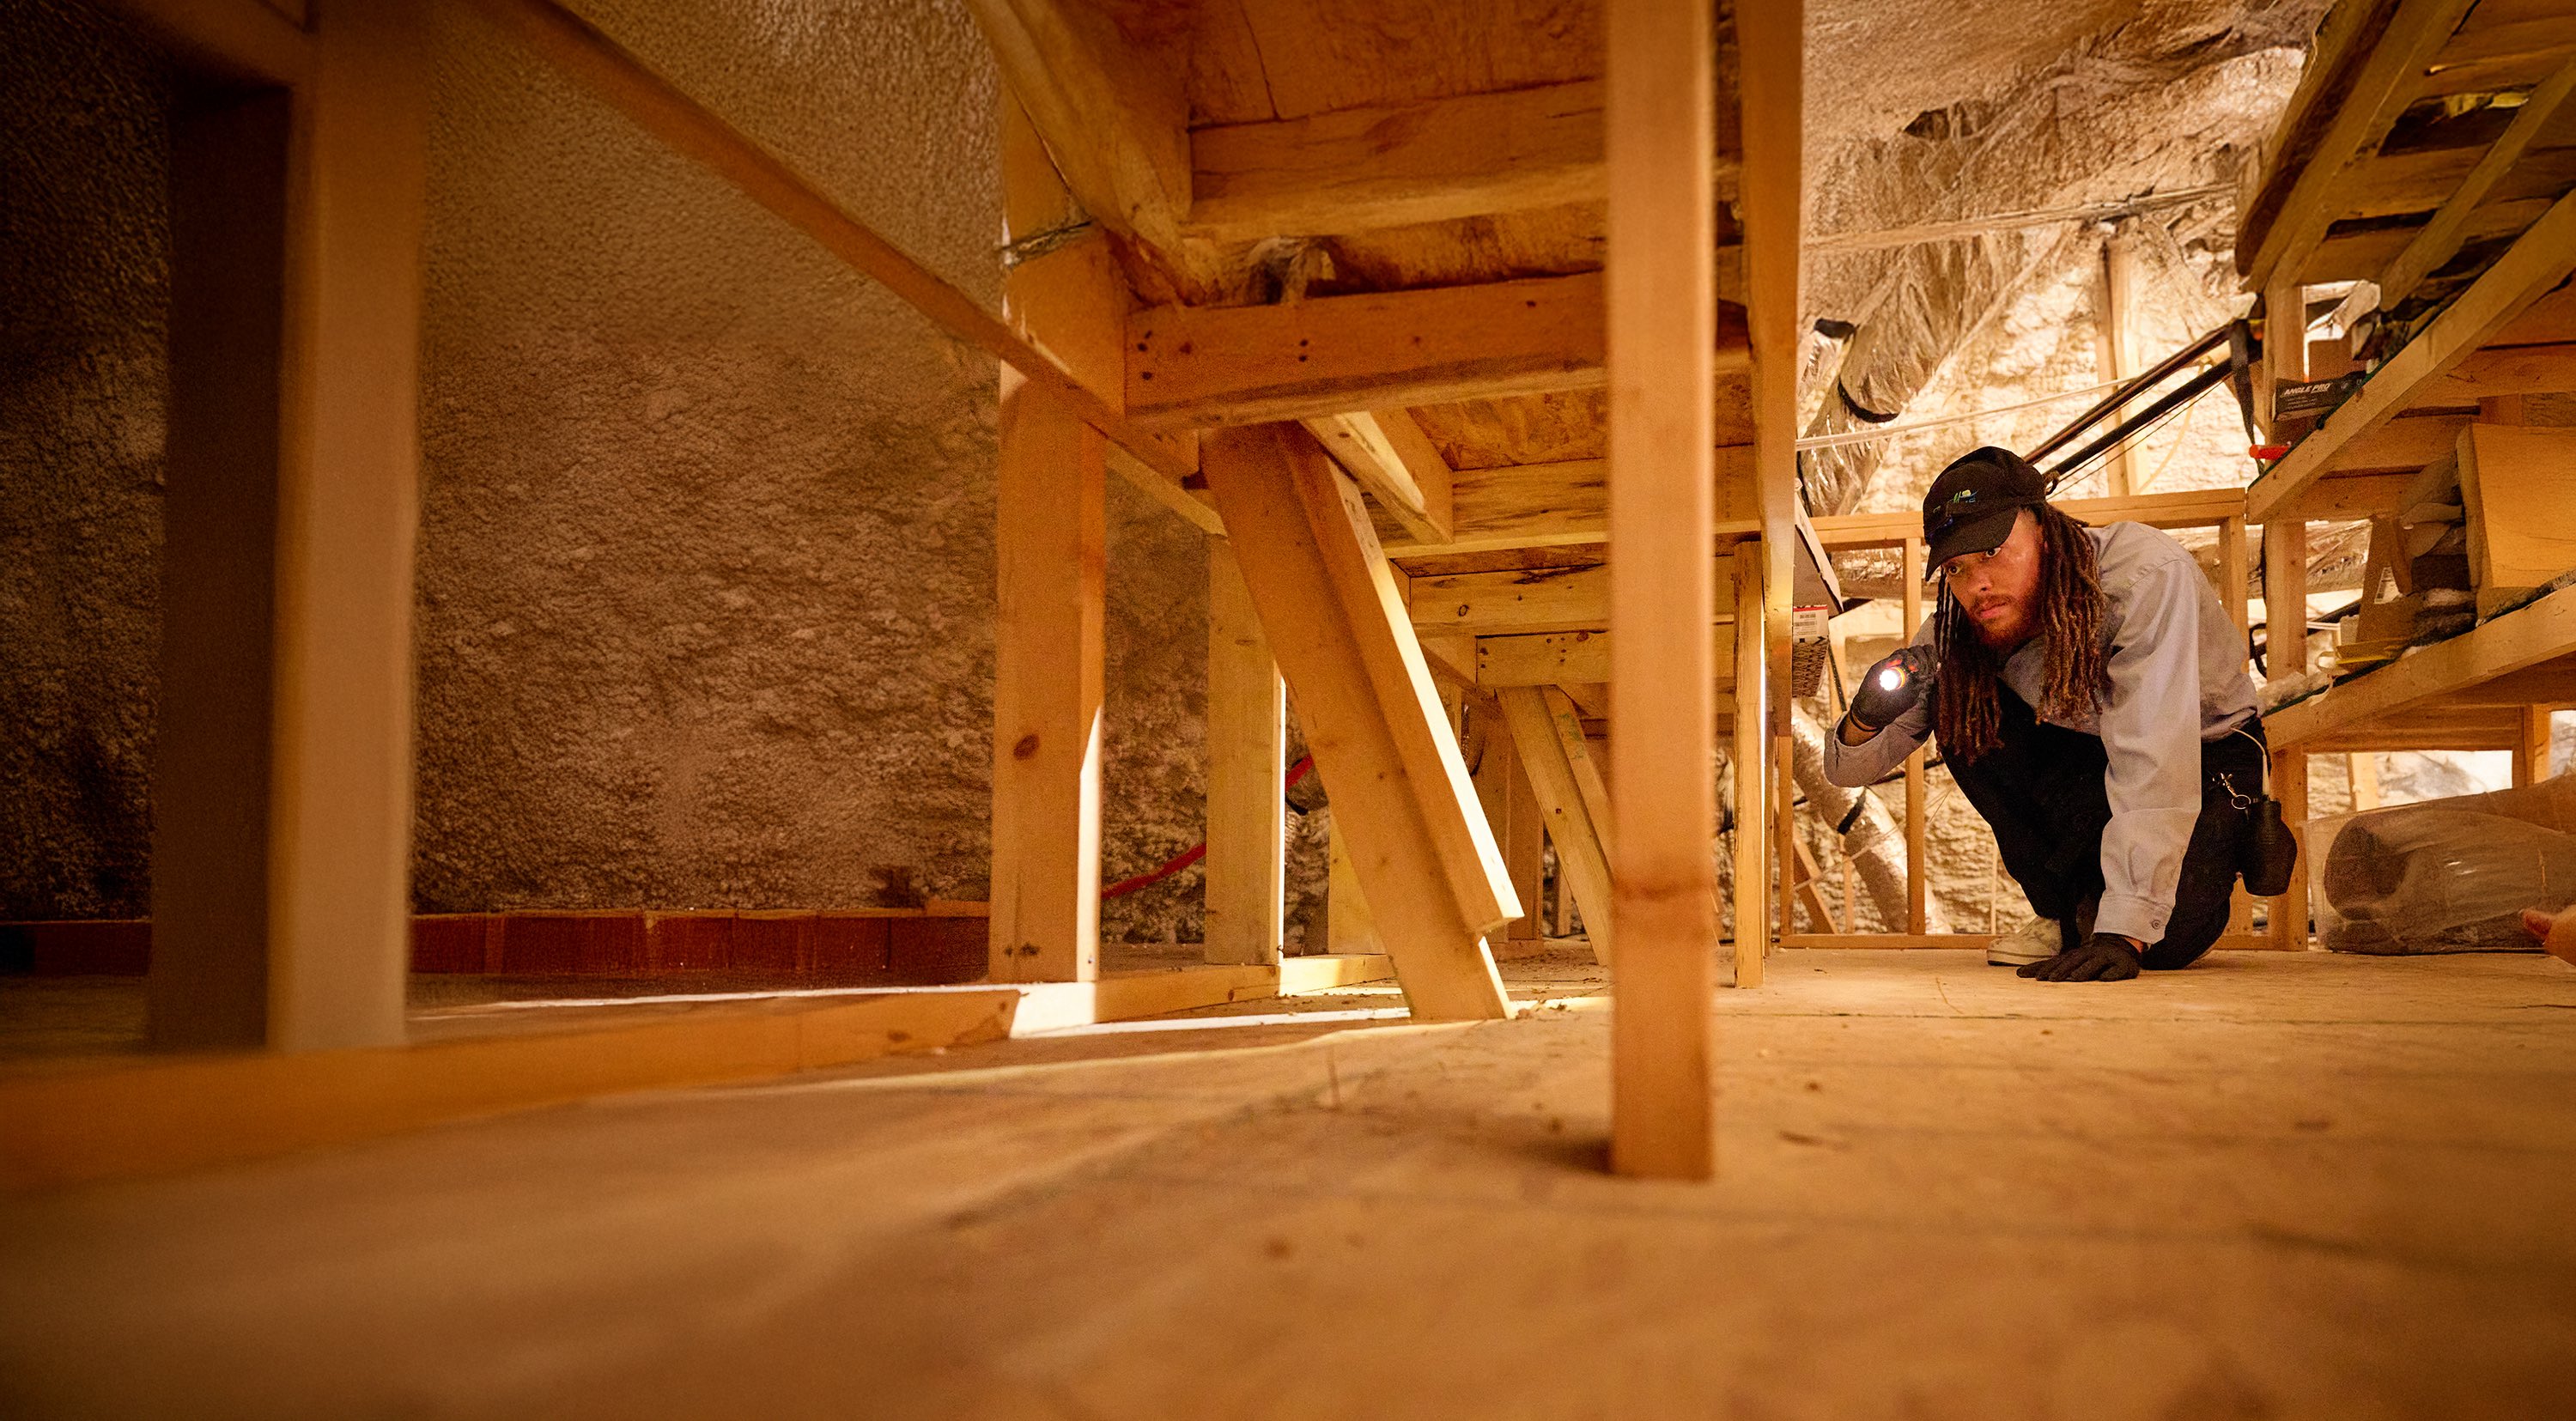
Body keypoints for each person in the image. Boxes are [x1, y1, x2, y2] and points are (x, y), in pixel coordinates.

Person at [1826, 446, 2265, 982]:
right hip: (2093, 762)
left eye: (1991, 552)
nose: (1976, 585)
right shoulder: (1959, 629)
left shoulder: (2143, 576)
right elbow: (1847, 772)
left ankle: (2196, 862)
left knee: (2164, 940)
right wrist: (1865, 719)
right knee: (1954, 695)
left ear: (2041, 525)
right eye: (1957, 568)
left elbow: (2155, 751)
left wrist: (2124, 931)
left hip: (2200, 757)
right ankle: (2064, 912)